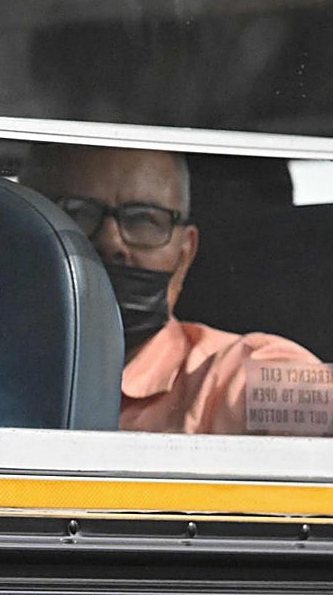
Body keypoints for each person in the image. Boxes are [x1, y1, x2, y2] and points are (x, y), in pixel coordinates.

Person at [20, 143, 319, 435]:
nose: (111, 242)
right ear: (19, 234)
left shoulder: (231, 377)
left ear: (185, 254)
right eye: (76, 214)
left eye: (144, 219)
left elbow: (307, 402)